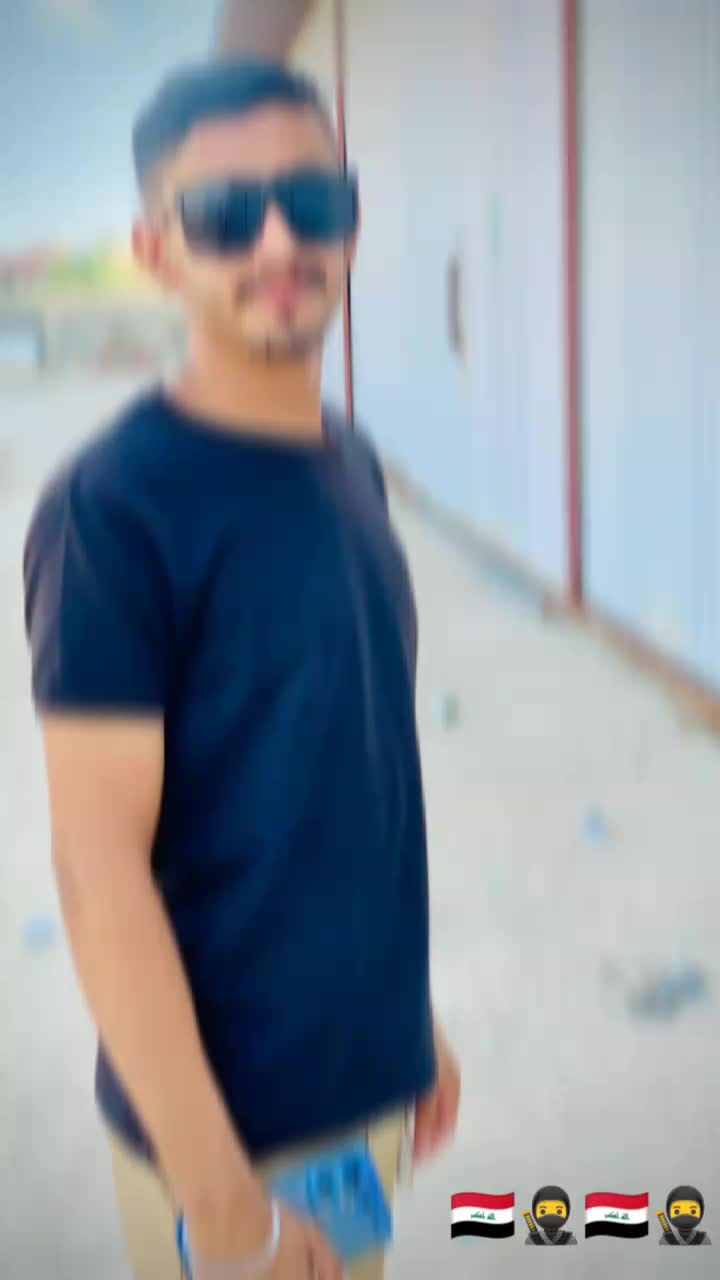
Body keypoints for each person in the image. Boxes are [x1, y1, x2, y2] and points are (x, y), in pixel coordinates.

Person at [22, 58, 460, 1280]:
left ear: (350, 222)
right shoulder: (114, 509)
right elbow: (98, 870)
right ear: (156, 253)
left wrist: (409, 1026)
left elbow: (344, 785)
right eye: (223, 213)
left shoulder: (350, 462)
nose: (278, 240)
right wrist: (225, 1207)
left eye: (310, 201)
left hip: (362, 1095)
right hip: (235, 1153)